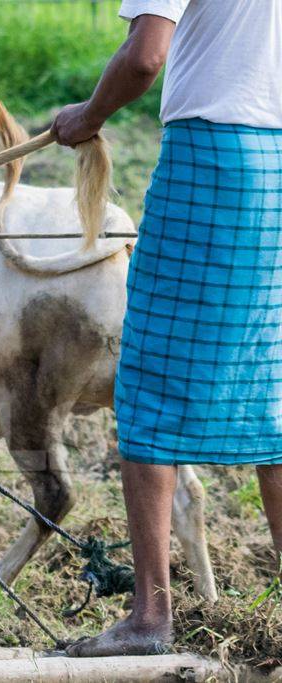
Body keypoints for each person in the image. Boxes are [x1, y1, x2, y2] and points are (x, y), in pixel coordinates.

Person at [51, 1, 282, 657]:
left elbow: (146, 54)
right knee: (270, 383)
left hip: (211, 163)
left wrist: (89, 114)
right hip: (273, 162)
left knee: (148, 379)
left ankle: (150, 616)